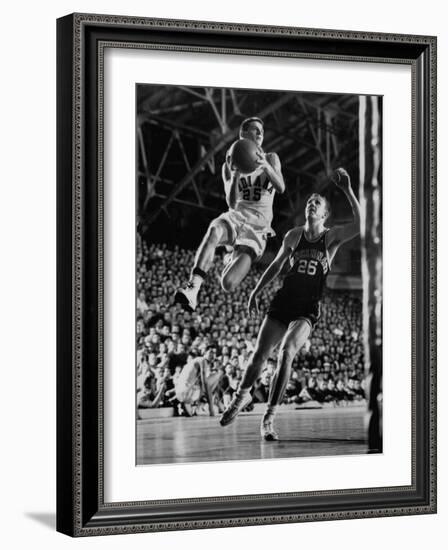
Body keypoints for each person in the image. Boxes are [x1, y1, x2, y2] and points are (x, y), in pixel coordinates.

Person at [220, 167, 361, 440]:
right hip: (284, 300)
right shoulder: (293, 235)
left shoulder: (331, 237)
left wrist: (347, 190)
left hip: (308, 307)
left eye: (316, 203)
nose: (311, 204)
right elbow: (275, 266)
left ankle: (269, 417)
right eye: (309, 201)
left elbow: (361, 223)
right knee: (259, 356)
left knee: (286, 353)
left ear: (324, 214)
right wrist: (256, 291)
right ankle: (240, 398)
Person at [174, 117, 285, 312]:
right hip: (236, 216)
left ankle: (230, 256)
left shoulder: (271, 158)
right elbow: (232, 202)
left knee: (228, 284)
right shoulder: (229, 164)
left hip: (257, 228)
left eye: (261, 131)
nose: (260, 134)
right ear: (243, 134)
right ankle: (193, 288)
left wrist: (266, 166)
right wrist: (235, 177)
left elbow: (281, 187)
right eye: (254, 130)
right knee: (214, 230)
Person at [173, 345, 222, 416]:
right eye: (210, 352)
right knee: (217, 374)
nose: (212, 355)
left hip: (180, 392)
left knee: (202, 382)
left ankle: (184, 403)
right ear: (204, 352)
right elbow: (205, 383)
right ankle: (197, 403)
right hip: (185, 392)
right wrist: (211, 408)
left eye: (214, 353)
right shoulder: (202, 360)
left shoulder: (195, 362)